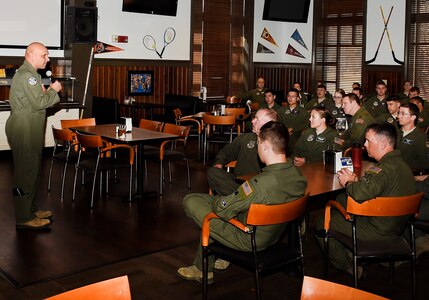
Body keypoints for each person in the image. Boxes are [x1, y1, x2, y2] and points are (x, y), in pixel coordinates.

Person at [178, 121, 307, 284]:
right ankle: (202, 267)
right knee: (214, 207)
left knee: (191, 201)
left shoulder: (260, 185)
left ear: (265, 145)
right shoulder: (298, 176)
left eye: (258, 143)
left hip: (249, 238)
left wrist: (223, 200)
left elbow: (223, 210)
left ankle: (203, 270)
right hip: (274, 234)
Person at [316, 122, 416, 276]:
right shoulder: (402, 165)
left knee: (323, 220)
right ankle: (349, 251)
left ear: (382, 144)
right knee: (341, 199)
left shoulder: (384, 169)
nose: (364, 145)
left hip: (378, 229)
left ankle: (347, 264)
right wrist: (356, 183)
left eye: (368, 141)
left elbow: (361, 193)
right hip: (397, 225)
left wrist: (348, 182)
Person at [6, 42, 62, 229]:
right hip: (25, 128)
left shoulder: (29, 75)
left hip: (29, 126)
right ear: (31, 55)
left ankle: (29, 208)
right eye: (44, 55)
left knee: (32, 170)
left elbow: (36, 102)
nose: (48, 58)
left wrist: (45, 94)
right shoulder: (28, 76)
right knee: (25, 172)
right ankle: (24, 218)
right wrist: (54, 90)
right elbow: (39, 103)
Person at [207, 108, 277, 196]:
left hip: (258, 187)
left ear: (267, 124)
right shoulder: (246, 138)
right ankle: (238, 200)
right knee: (212, 172)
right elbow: (227, 151)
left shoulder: (275, 143)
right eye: (254, 118)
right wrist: (219, 163)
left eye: (257, 119)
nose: (252, 121)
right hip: (238, 183)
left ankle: (235, 201)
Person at [396, 103, 429, 172]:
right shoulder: (395, 133)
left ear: (413, 117)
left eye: (403, 113)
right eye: (398, 113)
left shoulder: (421, 137)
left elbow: (424, 163)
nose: (399, 116)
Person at [277, 88, 309, 155]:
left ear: (297, 98)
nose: (290, 98)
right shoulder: (280, 110)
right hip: (282, 138)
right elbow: (278, 124)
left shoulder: (303, 112)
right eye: (289, 96)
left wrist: (293, 129)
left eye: (293, 96)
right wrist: (285, 130)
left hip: (297, 138)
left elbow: (306, 125)